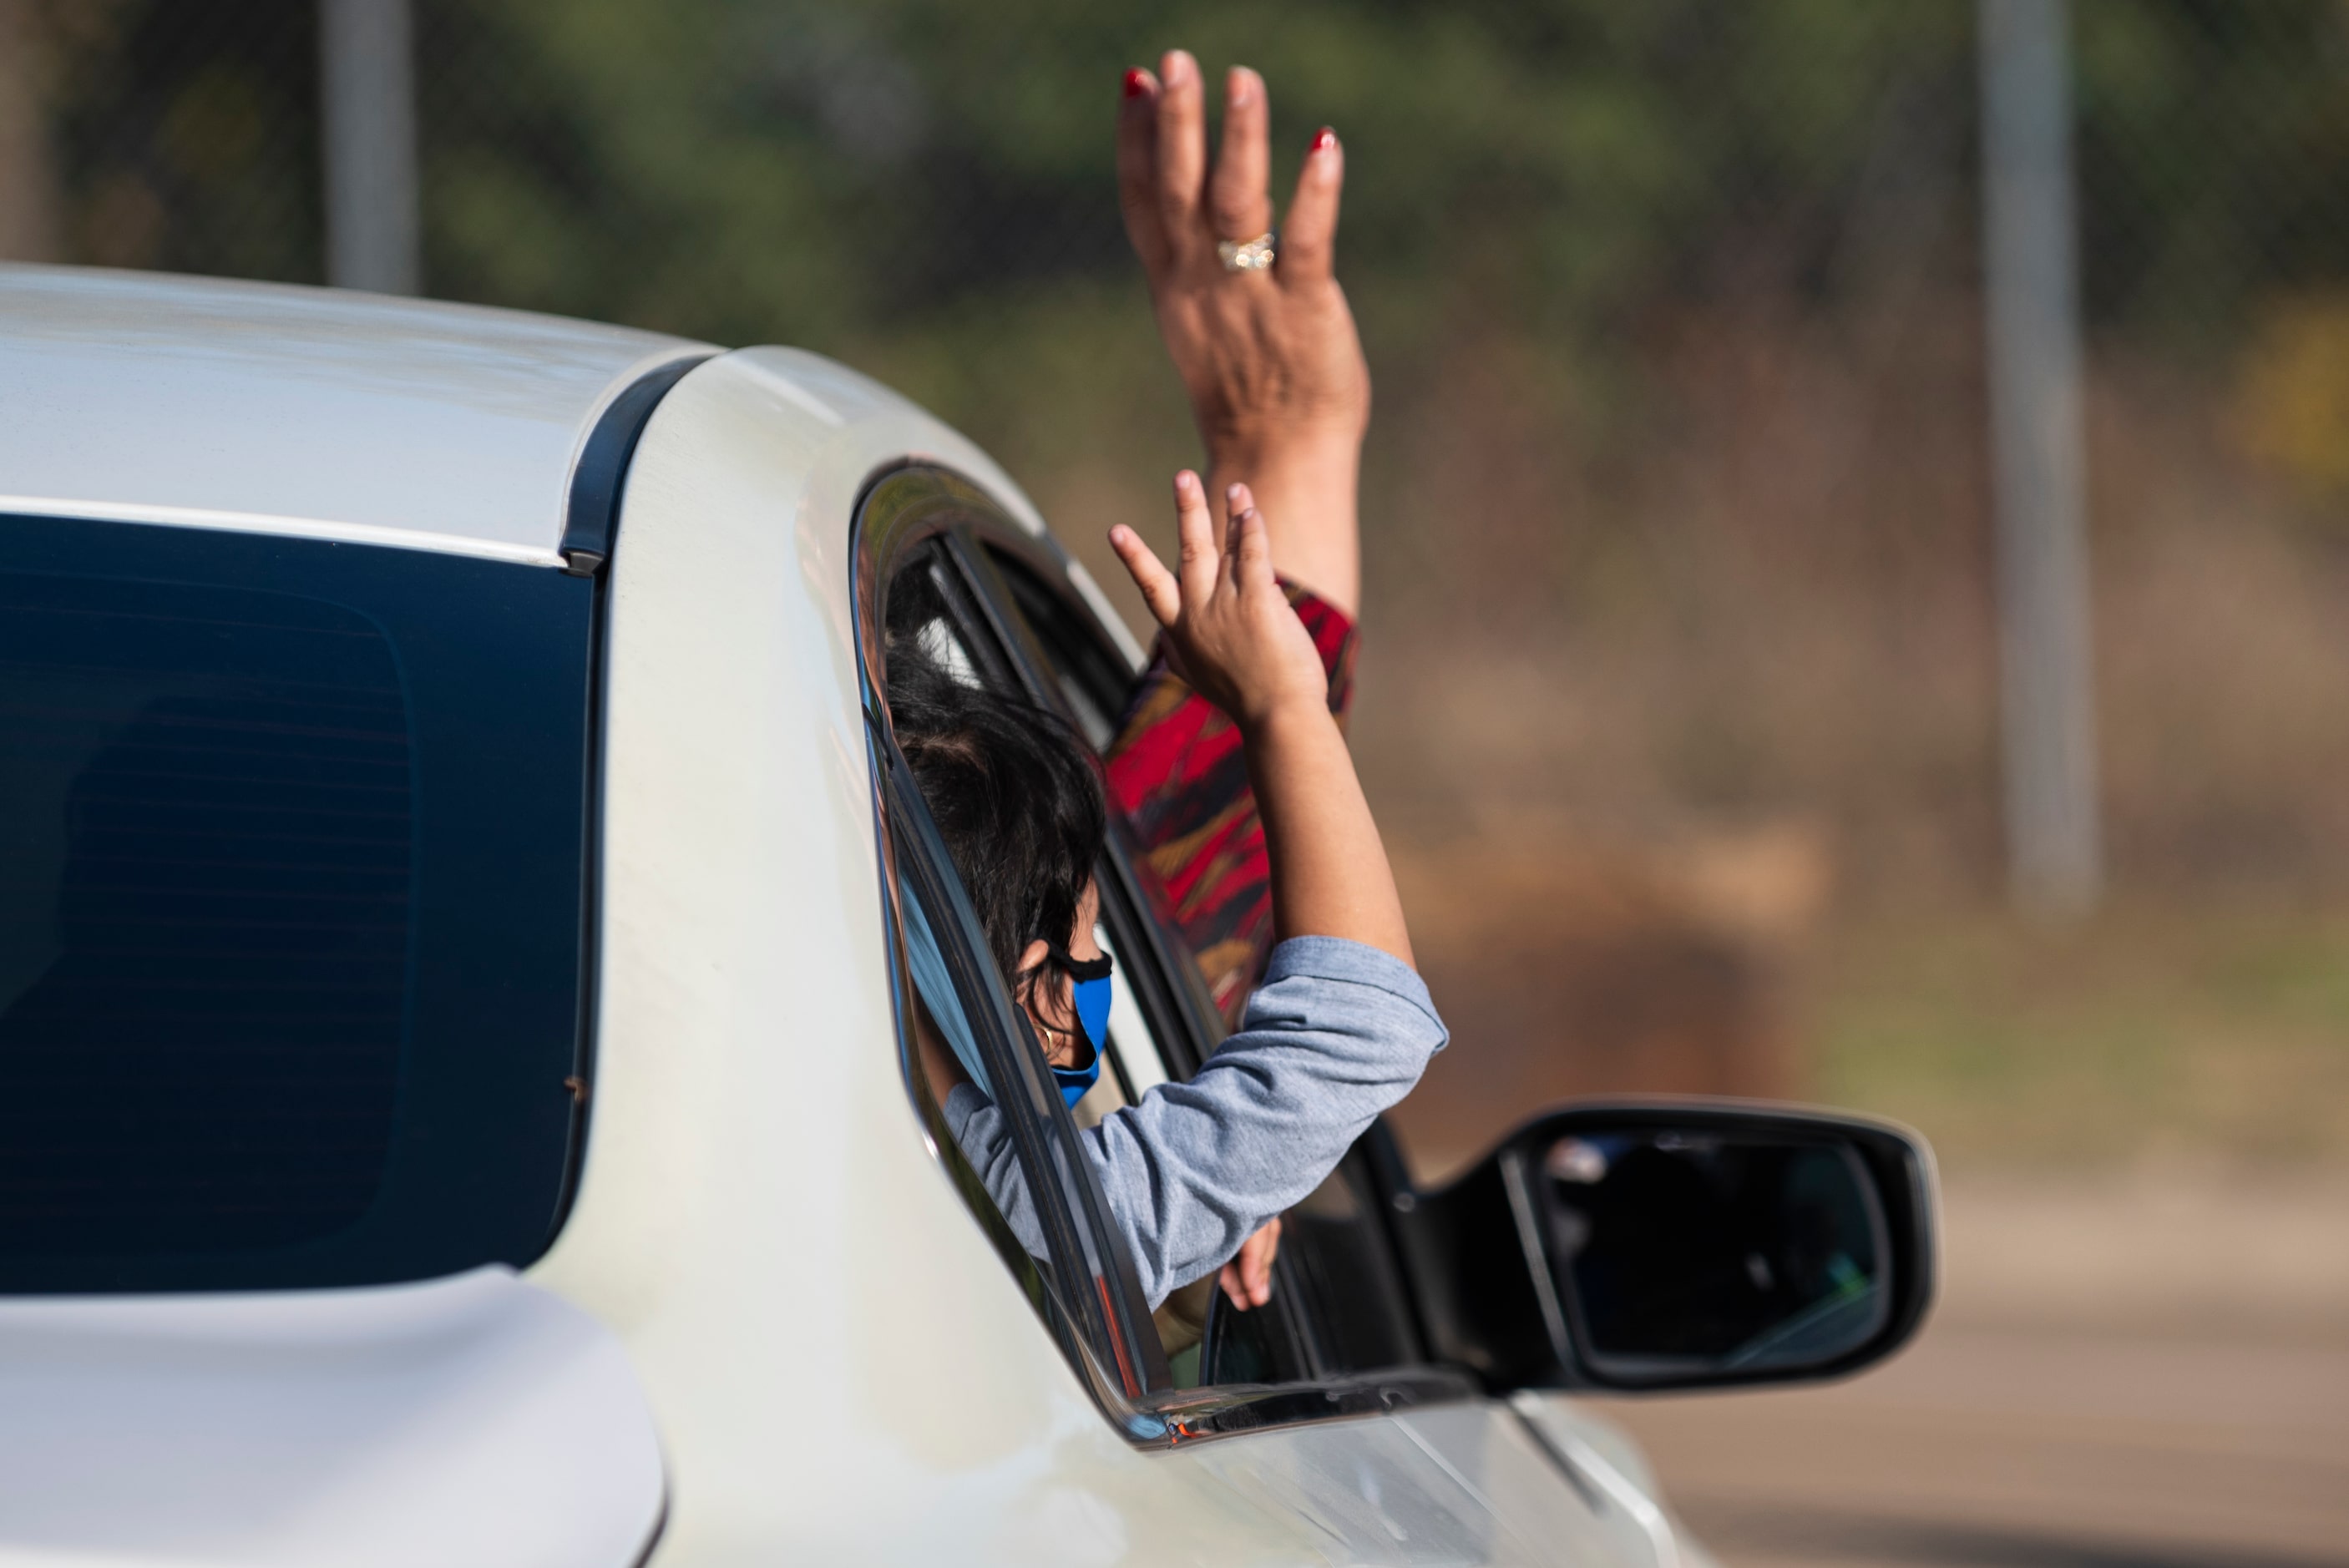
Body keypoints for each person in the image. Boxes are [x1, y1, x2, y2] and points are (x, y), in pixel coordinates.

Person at [894, 473, 1445, 1314]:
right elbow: (1361, 1027)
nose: (1098, 969)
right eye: (1092, 940)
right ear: (1042, 996)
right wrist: (1280, 704)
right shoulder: (1049, 1220)